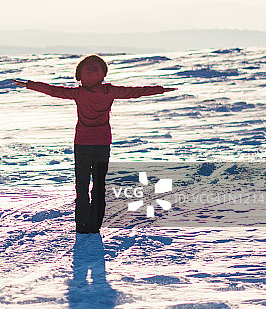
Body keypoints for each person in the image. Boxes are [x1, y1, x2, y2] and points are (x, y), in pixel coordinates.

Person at [12, 54, 176, 234]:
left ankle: (82, 225)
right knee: (99, 185)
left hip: (82, 142)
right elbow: (135, 91)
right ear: (103, 74)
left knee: (81, 185)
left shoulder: (78, 93)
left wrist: (28, 84)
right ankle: (95, 225)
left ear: (80, 75)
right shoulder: (109, 91)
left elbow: (53, 90)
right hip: (103, 142)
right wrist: (160, 89)